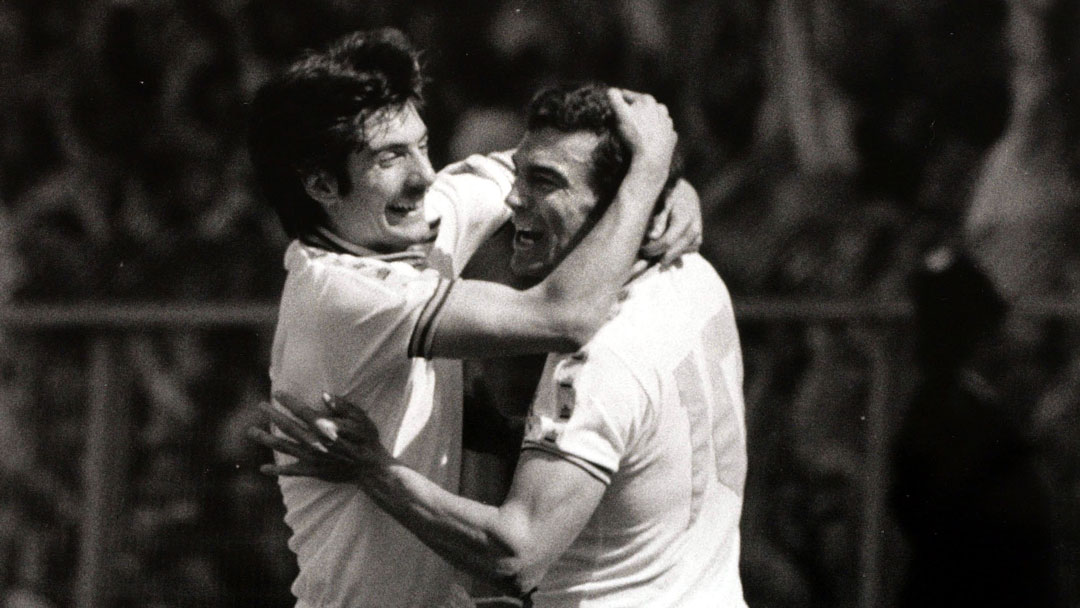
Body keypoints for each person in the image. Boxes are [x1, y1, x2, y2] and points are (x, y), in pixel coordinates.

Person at [246, 29, 693, 608]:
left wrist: (675, 189)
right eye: (390, 157)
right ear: (321, 185)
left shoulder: (410, 219)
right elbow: (567, 316)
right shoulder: (342, 295)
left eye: (421, 145)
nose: (426, 175)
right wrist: (652, 177)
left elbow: (587, 158)